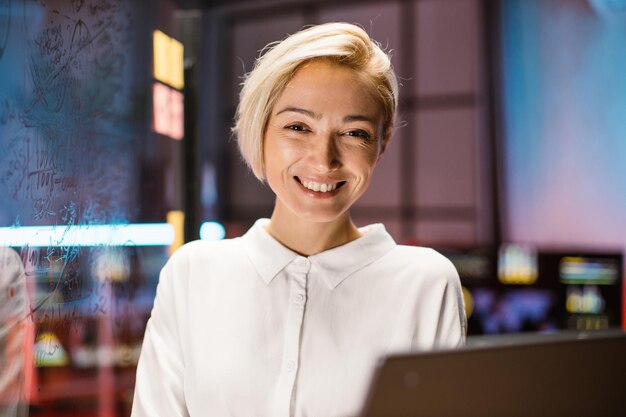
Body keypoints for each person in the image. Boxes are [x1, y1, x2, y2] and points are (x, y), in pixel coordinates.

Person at [131, 22, 466, 417]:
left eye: (354, 133)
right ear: (261, 128)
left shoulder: (425, 283)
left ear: (383, 140)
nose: (323, 160)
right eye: (298, 127)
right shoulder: (192, 273)